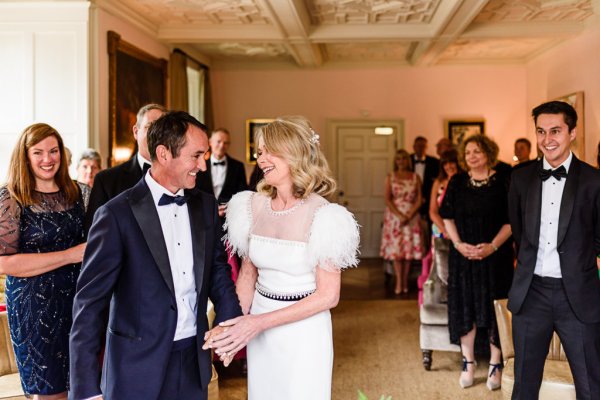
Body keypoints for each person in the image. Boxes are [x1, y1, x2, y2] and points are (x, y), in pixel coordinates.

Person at [69, 111, 242, 400]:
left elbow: (217, 271)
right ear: (163, 154)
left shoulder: (206, 206)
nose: (203, 165)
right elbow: (89, 304)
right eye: (196, 156)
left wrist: (228, 320)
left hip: (193, 358)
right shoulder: (115, 215)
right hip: (134, 366)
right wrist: (85, 388)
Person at [203, 116, 359, 400]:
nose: (261, 159)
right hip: (260, 329)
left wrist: (256, 324)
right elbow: (248, 276)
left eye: (269, 151)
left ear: (293, 154)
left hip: (305, 331)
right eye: (260, 152)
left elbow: (328, 296)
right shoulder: (252, 206)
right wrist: (229, 327)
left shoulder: (324, 216)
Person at [508, 101, 600, 399]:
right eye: (541, 131)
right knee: (524, 385)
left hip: (577, 298)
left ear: (573, 132)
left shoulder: (594, 181)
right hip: (530, 293)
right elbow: (520, 235)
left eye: (556, 131)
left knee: (590, 385)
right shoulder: (520, 178)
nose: (547, 139)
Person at [0, 123, 88, 399]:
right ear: (24, 156)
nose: (47, 159)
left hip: (80, 302)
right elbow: (4, 263)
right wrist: (71, 255)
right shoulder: (11, 198)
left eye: (53, 151)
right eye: (38, 152)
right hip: (33, 308)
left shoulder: (81, 193)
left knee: (83, 386)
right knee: (49, 391)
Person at [439, 134, 513, 391]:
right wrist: (459, 245)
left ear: (489, 153)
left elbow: (512, 221)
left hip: (495, 257)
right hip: (464, 257)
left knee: (496, 309)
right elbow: (446, 215)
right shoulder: (457, 181)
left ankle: (495, 364)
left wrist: (492, 247)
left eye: (477, 151)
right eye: (468, 152)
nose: (471, 155)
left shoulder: (504, 180)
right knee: (465, 307)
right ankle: (468, 362)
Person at [85, 103, 167, 231]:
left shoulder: (186, 178)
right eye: (149, 127)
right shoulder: (107, 181)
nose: (156, 134)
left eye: (162, 128)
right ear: (136, 131)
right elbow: (94, 235)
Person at [380, 149, 423, 295]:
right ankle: (398, 281)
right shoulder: (390, 177)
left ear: (408, 160)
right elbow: (387, 199)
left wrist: (410, 214)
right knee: (397, 252)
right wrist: (399, 215)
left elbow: (419, 199)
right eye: (398, 159)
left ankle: (405, 281)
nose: (401, 162)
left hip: (412, 216)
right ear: (395, 161)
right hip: (394, 218)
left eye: (404, 159)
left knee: (408, 251)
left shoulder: (415, 177)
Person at [196, 127, 248, 219]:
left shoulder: (238, 166)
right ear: (210, 142)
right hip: (204, 215)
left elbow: (242, 193)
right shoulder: (199, 165)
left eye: (226, 143)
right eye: (218, 141)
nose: (222, 145)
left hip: (229, 216)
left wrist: (227, 208)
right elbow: (196, 191)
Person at [410, 136, 439, 222]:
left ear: (426, 147)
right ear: (414, 147)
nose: (420, 148)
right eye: (418, 146)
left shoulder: (434, 162)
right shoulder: (407, 160)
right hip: (411, 200)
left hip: (429, 201)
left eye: (423, 146)